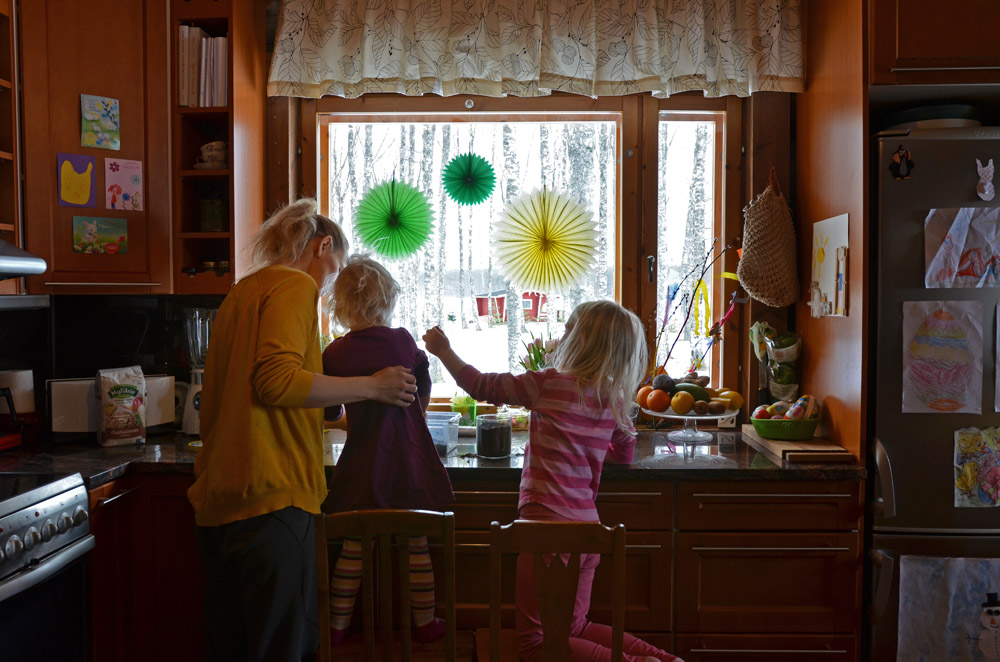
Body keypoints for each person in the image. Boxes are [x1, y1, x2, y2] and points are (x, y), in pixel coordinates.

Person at [188, 199, 418, 662]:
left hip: (222, 497)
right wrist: (371, 387)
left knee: (232, 646)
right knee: (284, 648)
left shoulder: (243, 292)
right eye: (336, 264)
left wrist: (333, 407)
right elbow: (275, 383)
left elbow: (250, 391)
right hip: (273, 496)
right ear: (324, 245)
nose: (334, 276)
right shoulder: (295, 286)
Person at [423, 300, 684, 662]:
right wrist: (584, 447)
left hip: (545, 533)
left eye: (567, 330)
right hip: (588, 530)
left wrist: (444, 351)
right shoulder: (616, 399)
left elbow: (483, 387)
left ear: (580, 341)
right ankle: (664, 658)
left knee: (534, 644)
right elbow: (623, 453)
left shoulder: (546, 384)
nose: (560, 337)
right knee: (573, 627)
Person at [322, 255, 454, 646]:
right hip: (409, 462)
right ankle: (426, 622)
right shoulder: (401, 340)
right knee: (416, 544)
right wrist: (419, 406)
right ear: (388, 302)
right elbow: (423, 379)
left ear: (340, 307)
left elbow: (330, 410)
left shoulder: (334, 353)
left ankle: (337, 626)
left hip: (362, 466)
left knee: (353, 546)